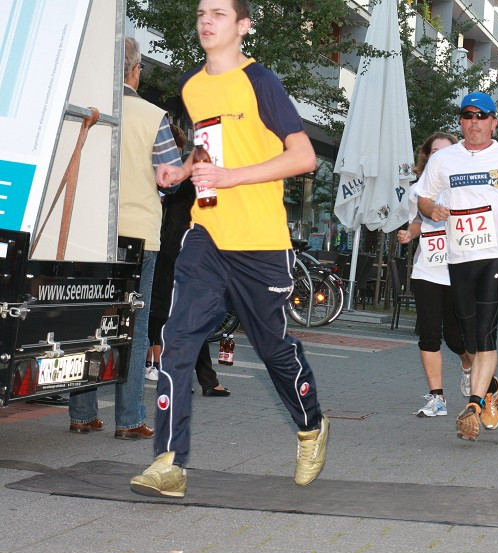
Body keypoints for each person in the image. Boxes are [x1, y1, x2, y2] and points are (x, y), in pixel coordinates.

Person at [130, 0, 325, 497]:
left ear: (243, 25)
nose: (205, 20)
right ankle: (169, 461)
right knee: (178, 339)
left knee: (274, 349)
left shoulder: (262, 82)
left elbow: (303, 158)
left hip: (260, 242)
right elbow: (210, 146)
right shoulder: (192, 85)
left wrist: (232, 177)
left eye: (218, 12)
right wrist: (182, 168)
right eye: (201, 11)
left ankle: (311, 426)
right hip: (207, 234)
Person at [67, 37, 181, 438]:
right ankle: (129, 419)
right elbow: (168, 181)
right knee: (132, 326)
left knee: (85, 322)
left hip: (85, 234)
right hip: (137, 237)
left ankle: (82, 414)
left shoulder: (84, 111)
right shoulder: (154, 117)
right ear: (136, 70)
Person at [416, 91, 498, 441]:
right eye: (468, 116)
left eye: (482, 116)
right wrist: (431, 210)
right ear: (461, 121)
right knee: (468, 337)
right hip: (459, 257)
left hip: (497, 253)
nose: (474, 122)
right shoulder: (444, 160)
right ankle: (493, 387)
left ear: (493, 122)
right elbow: (423, 196)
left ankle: (473, 404)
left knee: (485, 330)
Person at [146, 123, 230, 397]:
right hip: (188, 250)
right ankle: (199, 378)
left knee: (169, 311)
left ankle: (196, 377)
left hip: (168, 245)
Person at [397, 132, 473, 418]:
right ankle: (437, 398)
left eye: (446, 151)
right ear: (426, 156)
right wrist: (408, 234)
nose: (439, 156)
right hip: (427, 269)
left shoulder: (466, 186)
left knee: (457, 339)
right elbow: (417, 223)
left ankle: (468, 366)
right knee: (429, 335)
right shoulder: (418, 190)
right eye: (434, 151)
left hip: (458, 271)